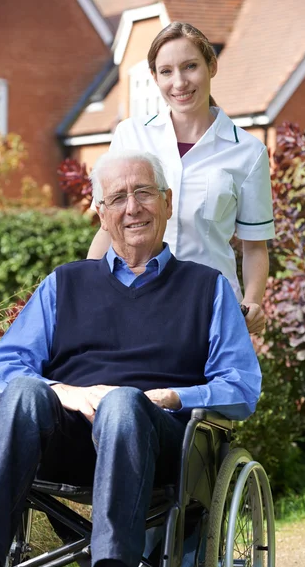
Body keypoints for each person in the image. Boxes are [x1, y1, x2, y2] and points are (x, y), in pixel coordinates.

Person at [0, 151, 261, 567]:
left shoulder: (207, 287)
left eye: (143, 193)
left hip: (157, 445)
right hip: (66, 441)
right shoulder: (65, 283)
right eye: (117, 197)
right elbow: (4, 369)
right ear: (101, 213)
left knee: (122, 401)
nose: (132, 207)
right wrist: (66, 393)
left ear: (167, 201)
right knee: (22, 391)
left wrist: (170, 398)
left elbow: (241, 386)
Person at [88, 22, 275, 335]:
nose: (179, 82)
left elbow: (255, 247)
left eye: (190, 67)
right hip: (132, 302)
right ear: (154, 77)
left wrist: (254, 301)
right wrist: (86, 288)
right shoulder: (130, 136)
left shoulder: (248, 151)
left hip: (211, 309)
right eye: (166, 71)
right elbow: (108, 228)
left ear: (211, 66)